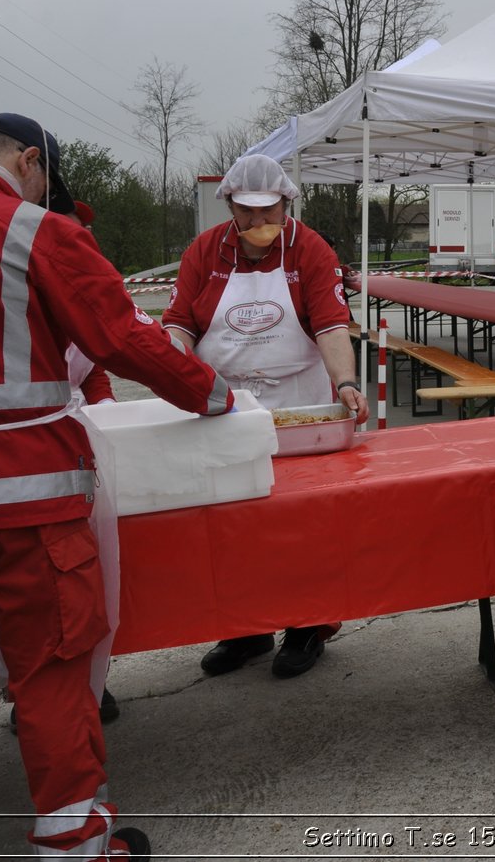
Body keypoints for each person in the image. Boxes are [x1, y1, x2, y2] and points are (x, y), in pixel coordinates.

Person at [0, 112, 235, 862]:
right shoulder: (35, 231)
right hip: (26, 497)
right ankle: (73, 843)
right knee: (53, 665)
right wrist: (214, 395)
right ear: (29, 161)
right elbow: (122, 336)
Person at [164, 154, 369, 680]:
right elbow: (179, 325)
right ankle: (244, 629)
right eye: (246, 213)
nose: (258, 224)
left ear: (287, 202)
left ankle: (307, 627)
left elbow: (330, 325)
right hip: (226, 410)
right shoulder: (204, 252)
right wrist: (177, 372)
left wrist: (345, 382)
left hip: (298, 410)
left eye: (268, 212)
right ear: (228, 206)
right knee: (230, 527)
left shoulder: (310, 248)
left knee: (301, 524)